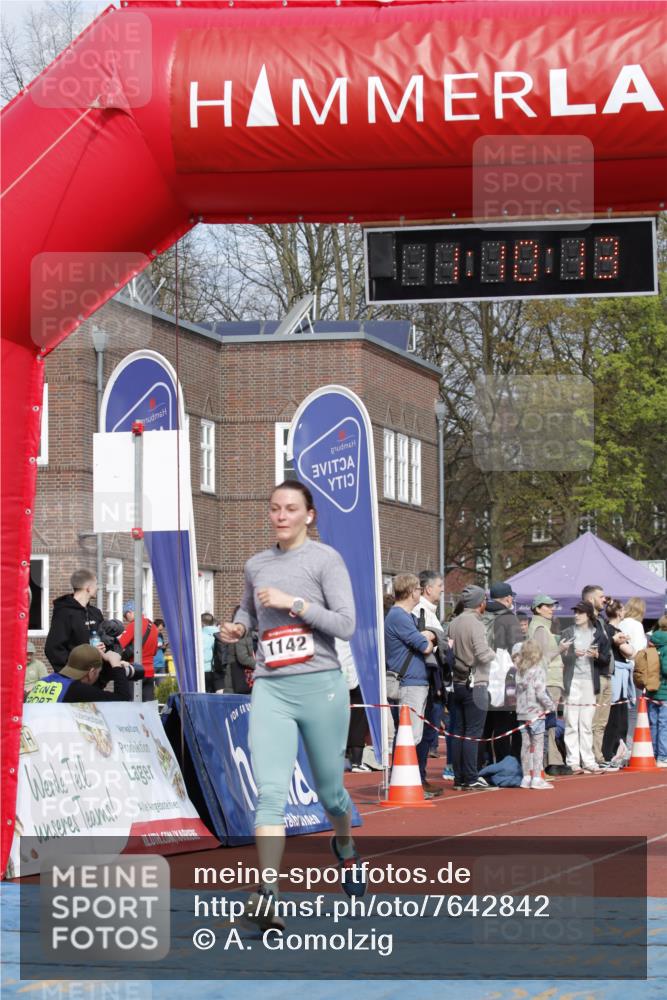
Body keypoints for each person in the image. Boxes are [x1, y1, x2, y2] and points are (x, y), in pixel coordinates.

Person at [219, 480, 361, 931]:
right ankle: (268, 894)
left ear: (309, 515)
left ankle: (344, 844)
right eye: (275, 508)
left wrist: (294, 603)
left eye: (291, 509)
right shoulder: (256, 563)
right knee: (271, 794)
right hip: (271, 688)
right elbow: (247, 611)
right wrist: (239, 629)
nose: (281, 516)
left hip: (321, 687)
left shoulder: (325, 560)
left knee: (330, 793)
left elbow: (346, 624)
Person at [384, 573, 441, 798]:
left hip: (413, 682)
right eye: (418, 589)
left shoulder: (401, 616)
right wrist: (429, 636)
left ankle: (407, 783)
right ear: (410, 592)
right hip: (410, 683)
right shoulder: (399, 616)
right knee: (410, 736)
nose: (420, 592)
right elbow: (424, 647)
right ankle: (405, 784)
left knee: (409, 735)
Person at [447, 584, 496, 791]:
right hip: (475, 682)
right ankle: (470, 776)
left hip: (456, 682)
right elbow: (483, 654)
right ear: (480, 603)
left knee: (458, 731)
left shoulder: (453, 623)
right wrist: (495, 654)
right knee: (473, 732)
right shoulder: (476, 624)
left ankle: (459, 776)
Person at [479, 581, 524, 766]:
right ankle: (503, 764)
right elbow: (518, 650)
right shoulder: (509, 618)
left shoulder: (480, 614)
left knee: (483, 725)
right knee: (502, 724)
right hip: (503, 677)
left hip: (481, 673)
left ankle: (481, 764)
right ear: (508, 598)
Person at [527, 594, 572, 776]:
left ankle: (551, 760)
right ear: (538, 609)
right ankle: (551, 761)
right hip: (548, 679)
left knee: (549, 721)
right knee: (548, 722)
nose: (551, 608)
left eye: (552, 605)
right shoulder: (539, 628)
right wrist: (560, 649)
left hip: (550, 679)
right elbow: (542, 658)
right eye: (547, 606)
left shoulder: (541, 628)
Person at [414, 571, 451, 767]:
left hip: (433, 679)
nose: (443, 589)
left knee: (429, 730)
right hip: (426, 679)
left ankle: (421, 776)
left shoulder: (429, 611)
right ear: (428, 589)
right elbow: (425, 645)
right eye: (439, 586)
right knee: (424, 729)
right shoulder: (420, 611)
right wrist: (440, 641)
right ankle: (419, 777)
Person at [560, 601, 601, 773]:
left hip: (590, 682)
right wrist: (571, 655)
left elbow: (606, 657)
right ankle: (573, 761)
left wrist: (597, 655)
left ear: (589, 615)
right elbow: (561, 657)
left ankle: (589, 760)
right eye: (575, 612)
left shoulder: (597, 633)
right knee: (571, 722)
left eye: (580, 612)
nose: (576, 615)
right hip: (572, 682)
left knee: (586, 723)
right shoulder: (568, 632)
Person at [26, 644, 134, 703]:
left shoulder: (44, 682)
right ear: (92, 672)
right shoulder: (76, 690)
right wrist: (116, 665)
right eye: (98, 672)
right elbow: (122, 700)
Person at [514, 638, 555, 789]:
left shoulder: (519, 670)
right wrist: (551, 705)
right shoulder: (538, 670)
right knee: (538, 745)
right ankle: (536, 777)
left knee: (525, 745)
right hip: (536, 712)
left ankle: (526, 777)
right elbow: (540, 692)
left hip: (522, 712)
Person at [44, 569, 104, 670]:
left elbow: (105, 639)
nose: (98, 588)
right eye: (96, 584)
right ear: (88, 588)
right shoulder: (64, 613)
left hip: (95, 678)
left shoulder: (95, 613)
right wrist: (73, 671)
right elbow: (53, 649)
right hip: (75, 679)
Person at [581, 585, 614, 767]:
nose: (605, 599)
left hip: (607, 674)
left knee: (602, 721)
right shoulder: (586, 620)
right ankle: (591, 757)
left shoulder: (601, 620)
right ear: (591, 599)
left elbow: (604, 645)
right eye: (601, 597)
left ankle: (598, 756)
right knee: (593, 720)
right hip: (596, 675)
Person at [602, 598, 636, 766]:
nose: (624, 612)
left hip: (619, 678)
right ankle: (610, 753)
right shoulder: (611, 630)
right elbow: (629, 652)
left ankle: (616, 751)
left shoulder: (615, 630)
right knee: (614, 717)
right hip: (615, 676)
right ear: (618, 612)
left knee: (620, 717)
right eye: (622, 610)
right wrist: (622, 642)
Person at [619, 597, 648, 761]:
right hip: (634, 669)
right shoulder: (637, 625)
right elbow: (639, 650)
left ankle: (621, 745)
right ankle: (630, 747)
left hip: (620, 670)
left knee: (619, 710)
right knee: (634, 711)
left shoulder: (622, 623)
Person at [119, 600, 158, 702]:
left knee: (132, 706)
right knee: (148, 707)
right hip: (149, 671)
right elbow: (154, 651)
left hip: (135, 671)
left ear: (130, 612)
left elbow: (120, 645)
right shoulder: (153, 626)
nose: (126, 619)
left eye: (125, 616)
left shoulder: (134, 625)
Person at [647, 616, 667, 767]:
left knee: (653, 723)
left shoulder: (651, 643)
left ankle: (652, 753)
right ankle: (662, 755)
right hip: (665, 691)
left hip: (651, 690)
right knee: (664, 724)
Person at [227, 605, 256, 694]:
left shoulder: (252, 633)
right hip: (240, 676)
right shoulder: (240, 633)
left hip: (246, 676)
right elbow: (243, 657)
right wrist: (260, 666)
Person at [201, 612, 225, 693]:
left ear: (202, 622)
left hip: (204, 669)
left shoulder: (200, 635)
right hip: (219, 669)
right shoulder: (220, 634)